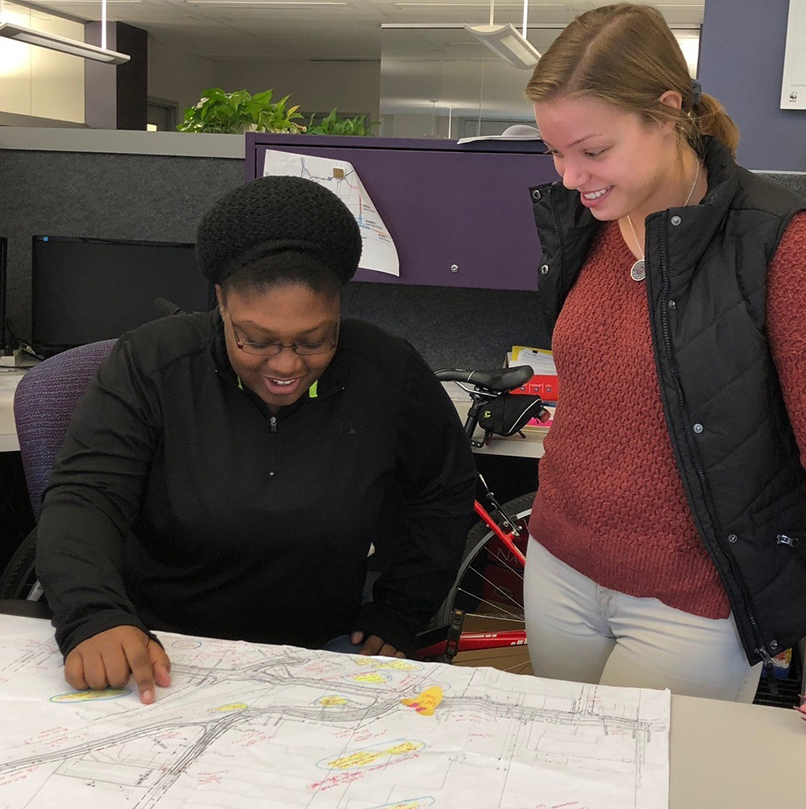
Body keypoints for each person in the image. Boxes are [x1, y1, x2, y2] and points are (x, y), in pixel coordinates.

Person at [522, 4, 806, 758]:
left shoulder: (784, 248)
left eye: (592, 149)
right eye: (554, 152)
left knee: (642, 783)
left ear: (666, 113)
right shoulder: (588, 220)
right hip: (559, 567)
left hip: (689, 603)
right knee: (557, 769)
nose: (570, 177)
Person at [36, 175, 477, 704]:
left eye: (316, 340)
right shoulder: (154, 364)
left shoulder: (386, 371)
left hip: (320, 652)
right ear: (220, 301)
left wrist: (401, 611)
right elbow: (86, 497)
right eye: (256, 340)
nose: (288, 366)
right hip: (160, 647)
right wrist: (94, 615)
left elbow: (442, 489)